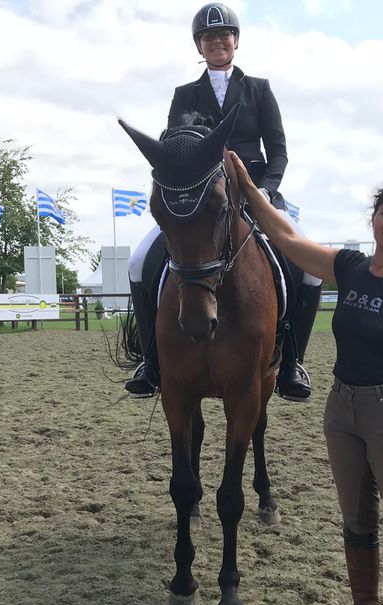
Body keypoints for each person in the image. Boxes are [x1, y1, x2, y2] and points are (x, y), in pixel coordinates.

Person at [226, 150, 383, 605]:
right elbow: (284, 236)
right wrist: (248, 188)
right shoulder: (349, 267)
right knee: (356, 519)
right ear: (373, 220)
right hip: (342, 410)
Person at [125, 2, 323, 402]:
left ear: (235, 41)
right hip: (201, 201)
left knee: (310, 271)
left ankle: (292, 363)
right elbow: (174, 149)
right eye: (209, 37)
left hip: (255, 195)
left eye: (224, 35)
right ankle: (151, 360)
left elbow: (279, 151)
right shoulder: (185, 94)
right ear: (199, 46)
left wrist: (264, 191)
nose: (217, 42)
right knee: (138, 261)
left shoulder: (259, 89)